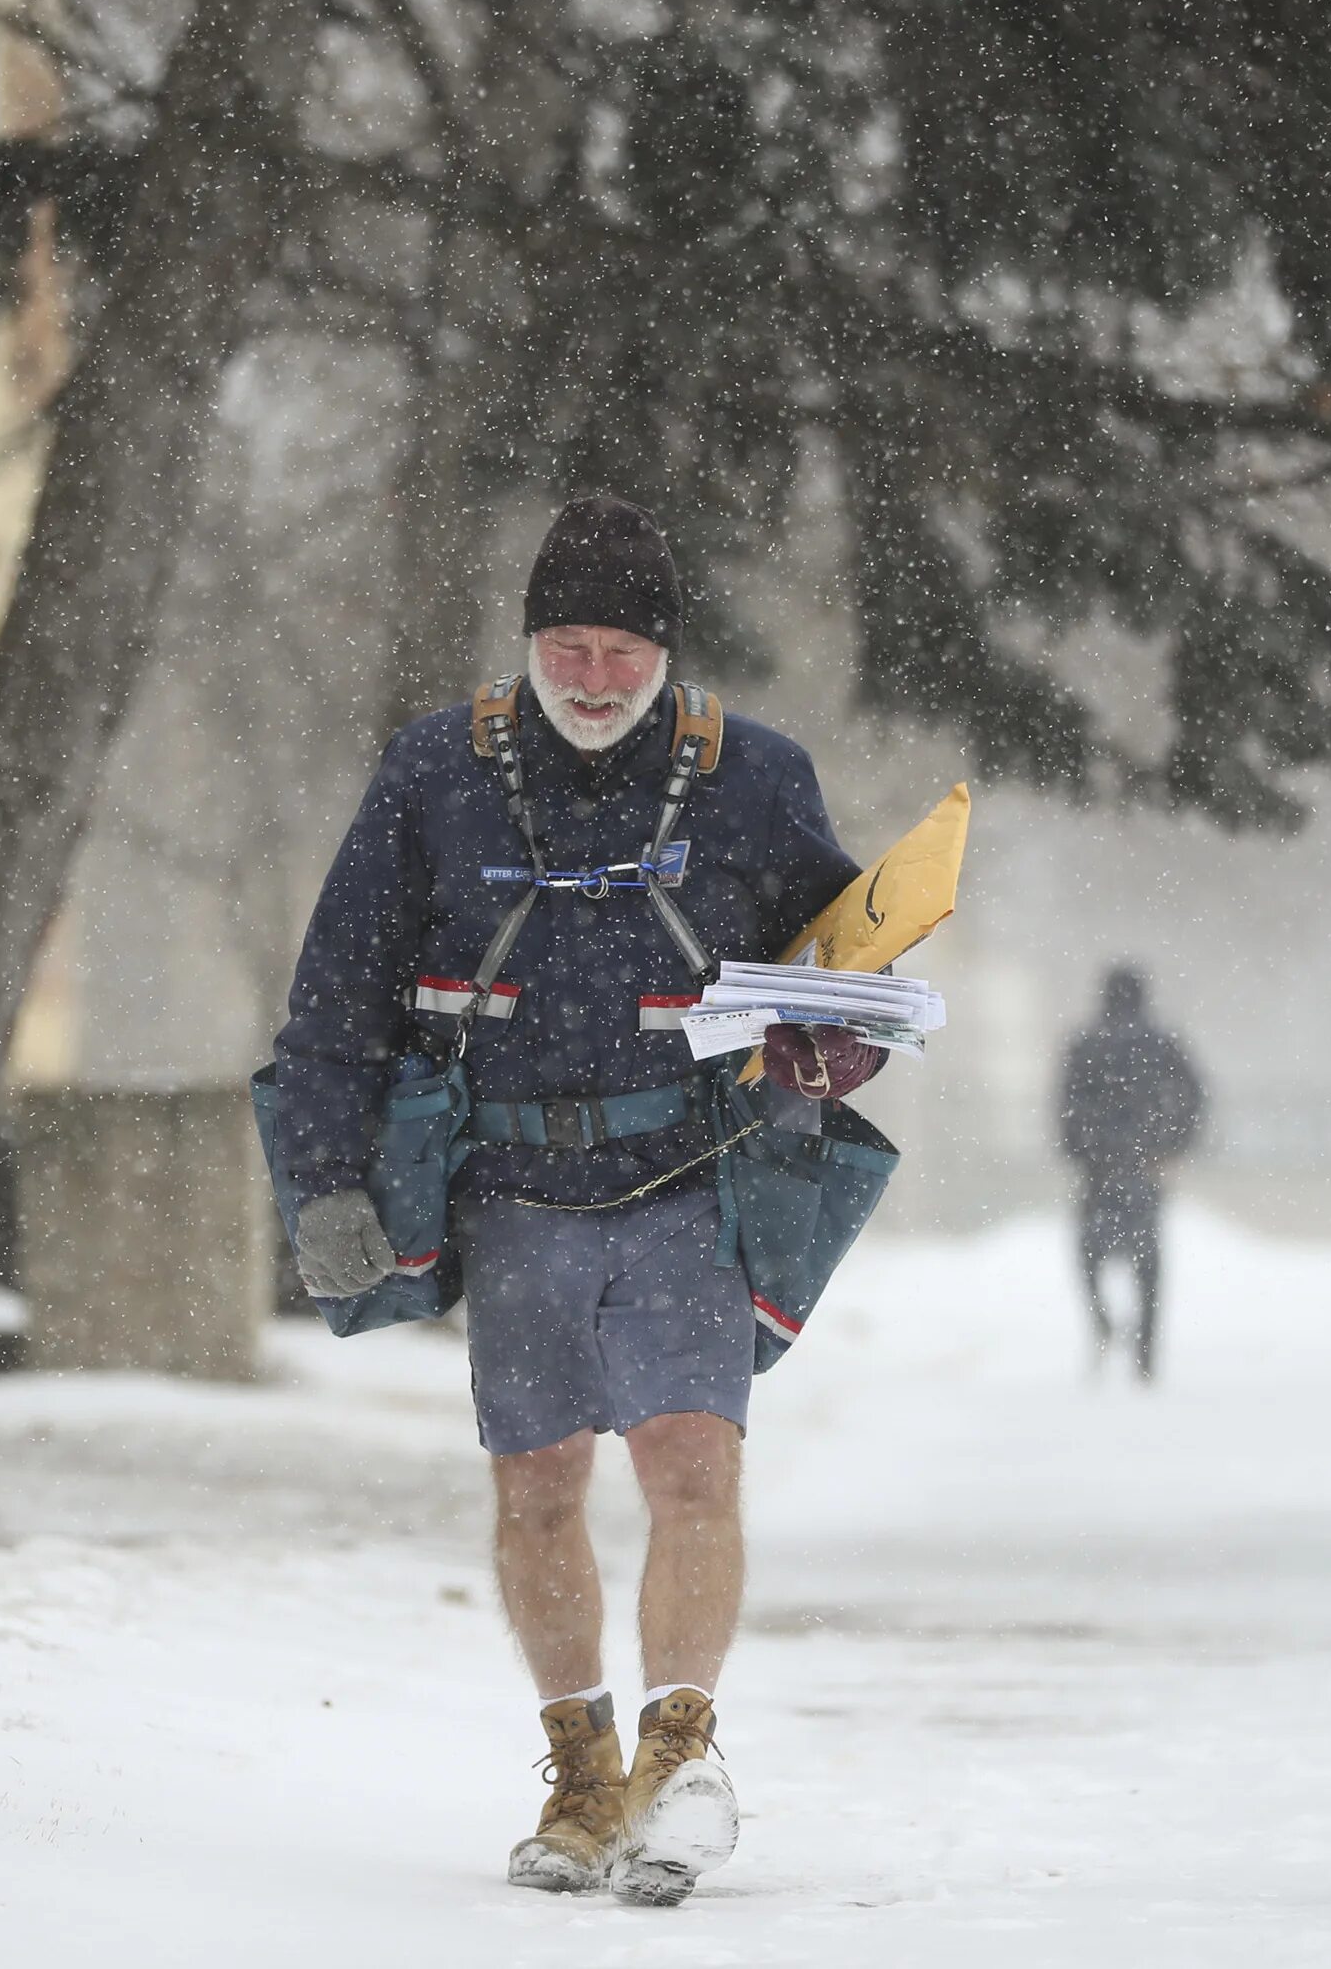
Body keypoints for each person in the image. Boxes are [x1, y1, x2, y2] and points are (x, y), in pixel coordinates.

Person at [269, 496, 879, 1907]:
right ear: (532, 641)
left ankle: (678, 1760)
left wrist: (837, 1040)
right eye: (569, 644)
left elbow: (844, 962)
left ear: (665, 652)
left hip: (681, 1179)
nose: (594, 678)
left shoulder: (756, 778)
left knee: (691, 1464)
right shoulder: (434, 772)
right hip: (515, 1191)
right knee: (538, 1488)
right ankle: (583, 1780)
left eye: (621, 650)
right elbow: (336, 998)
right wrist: (317, 1181)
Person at [1055, 963, 1205, 1382]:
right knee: (1148, 1262)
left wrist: (1079, 1150)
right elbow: (1195, 1094)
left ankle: (1102, 1318)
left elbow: (1065, 1102)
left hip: (1098, 1168)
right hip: (1146, 1165)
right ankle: (1145, 1350)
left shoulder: (1085, 1043)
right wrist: (1174, 1144)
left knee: (1088, 1253)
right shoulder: (1163, 1043)